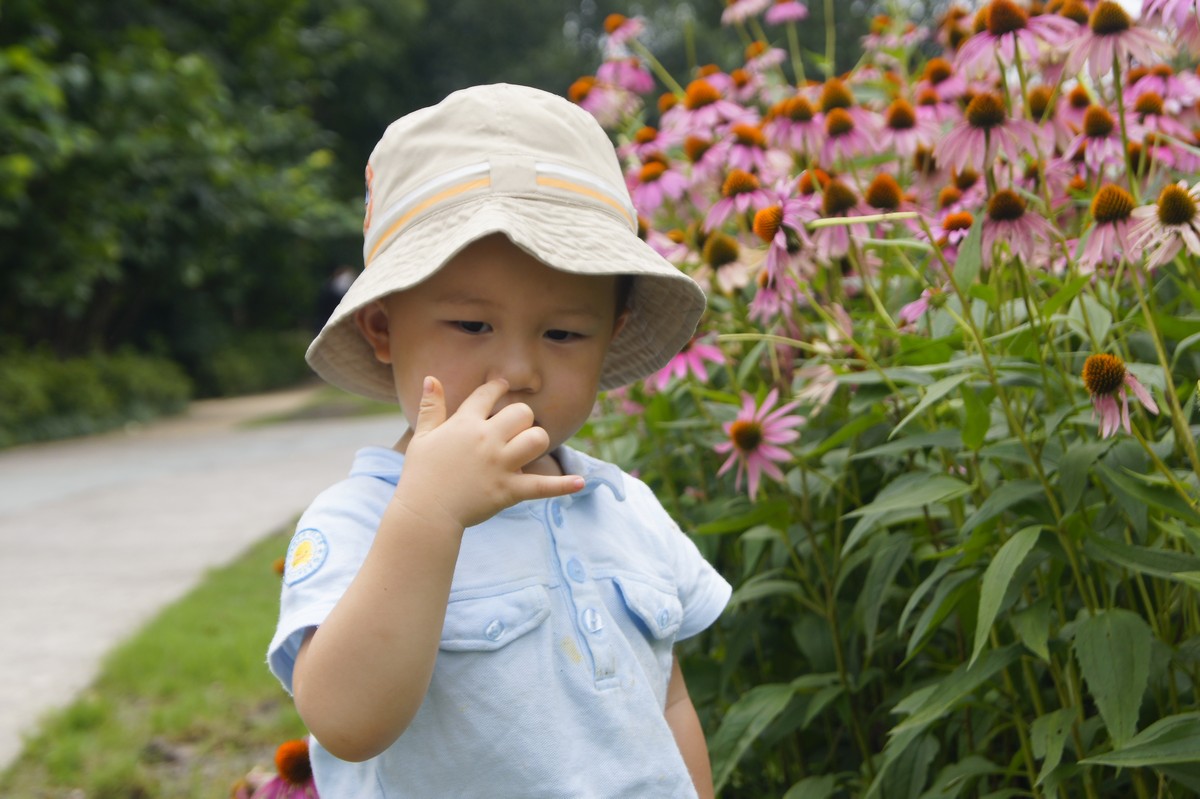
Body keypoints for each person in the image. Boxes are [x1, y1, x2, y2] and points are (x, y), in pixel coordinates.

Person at [267, 83, 732, 798]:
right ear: (383, 327)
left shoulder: (622, 507)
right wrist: (429, 515)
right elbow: (345, 722)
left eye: (564, 333)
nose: (518, 368)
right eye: (473, 326)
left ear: (611, 336)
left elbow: (666, 703)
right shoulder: (361, 519)